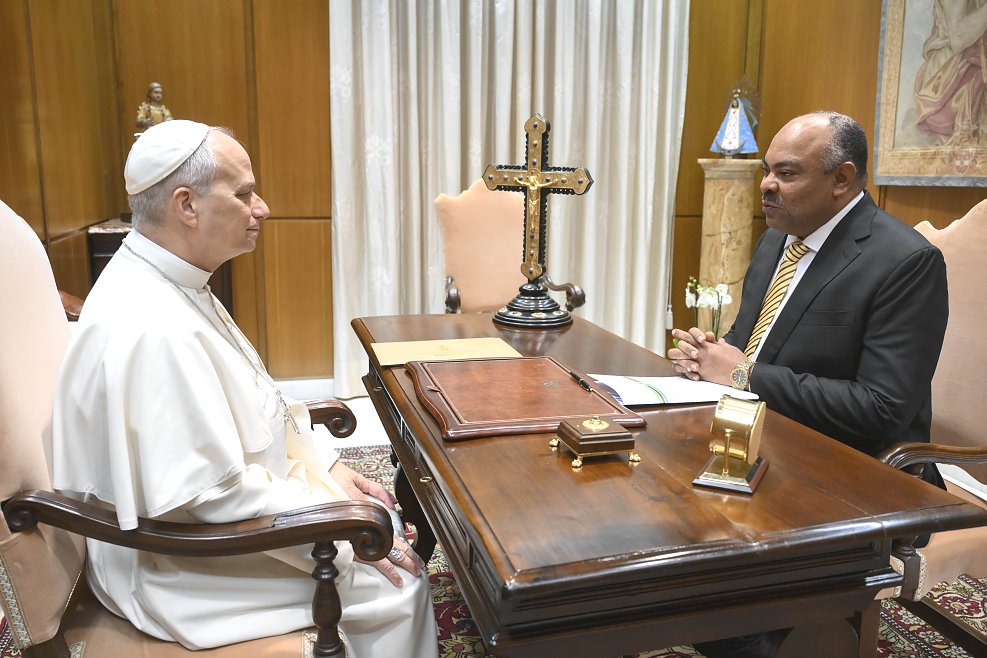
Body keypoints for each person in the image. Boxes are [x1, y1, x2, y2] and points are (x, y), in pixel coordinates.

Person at [53, 120, 438, 658]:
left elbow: (253, 398)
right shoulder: (152, 325)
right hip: (175, 566)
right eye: (244, 194)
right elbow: (210, 495)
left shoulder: (172, 277)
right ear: (187, 205)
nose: (262, 208)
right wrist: (338, 530)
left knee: (376, 524)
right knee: (397, 585)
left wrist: (325, 467)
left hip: (212, 521)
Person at [668, 112, 948, 657]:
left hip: (853, 472)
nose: (767, 185)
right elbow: (746, 344)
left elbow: (881, 409)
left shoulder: (905, 262)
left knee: (709, 593)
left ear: (842, 179)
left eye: (787, 173)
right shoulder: (778, 240)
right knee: (647, 517)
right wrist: (706, 358)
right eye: (767, 171)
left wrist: (743, 374)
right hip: (761, 443)